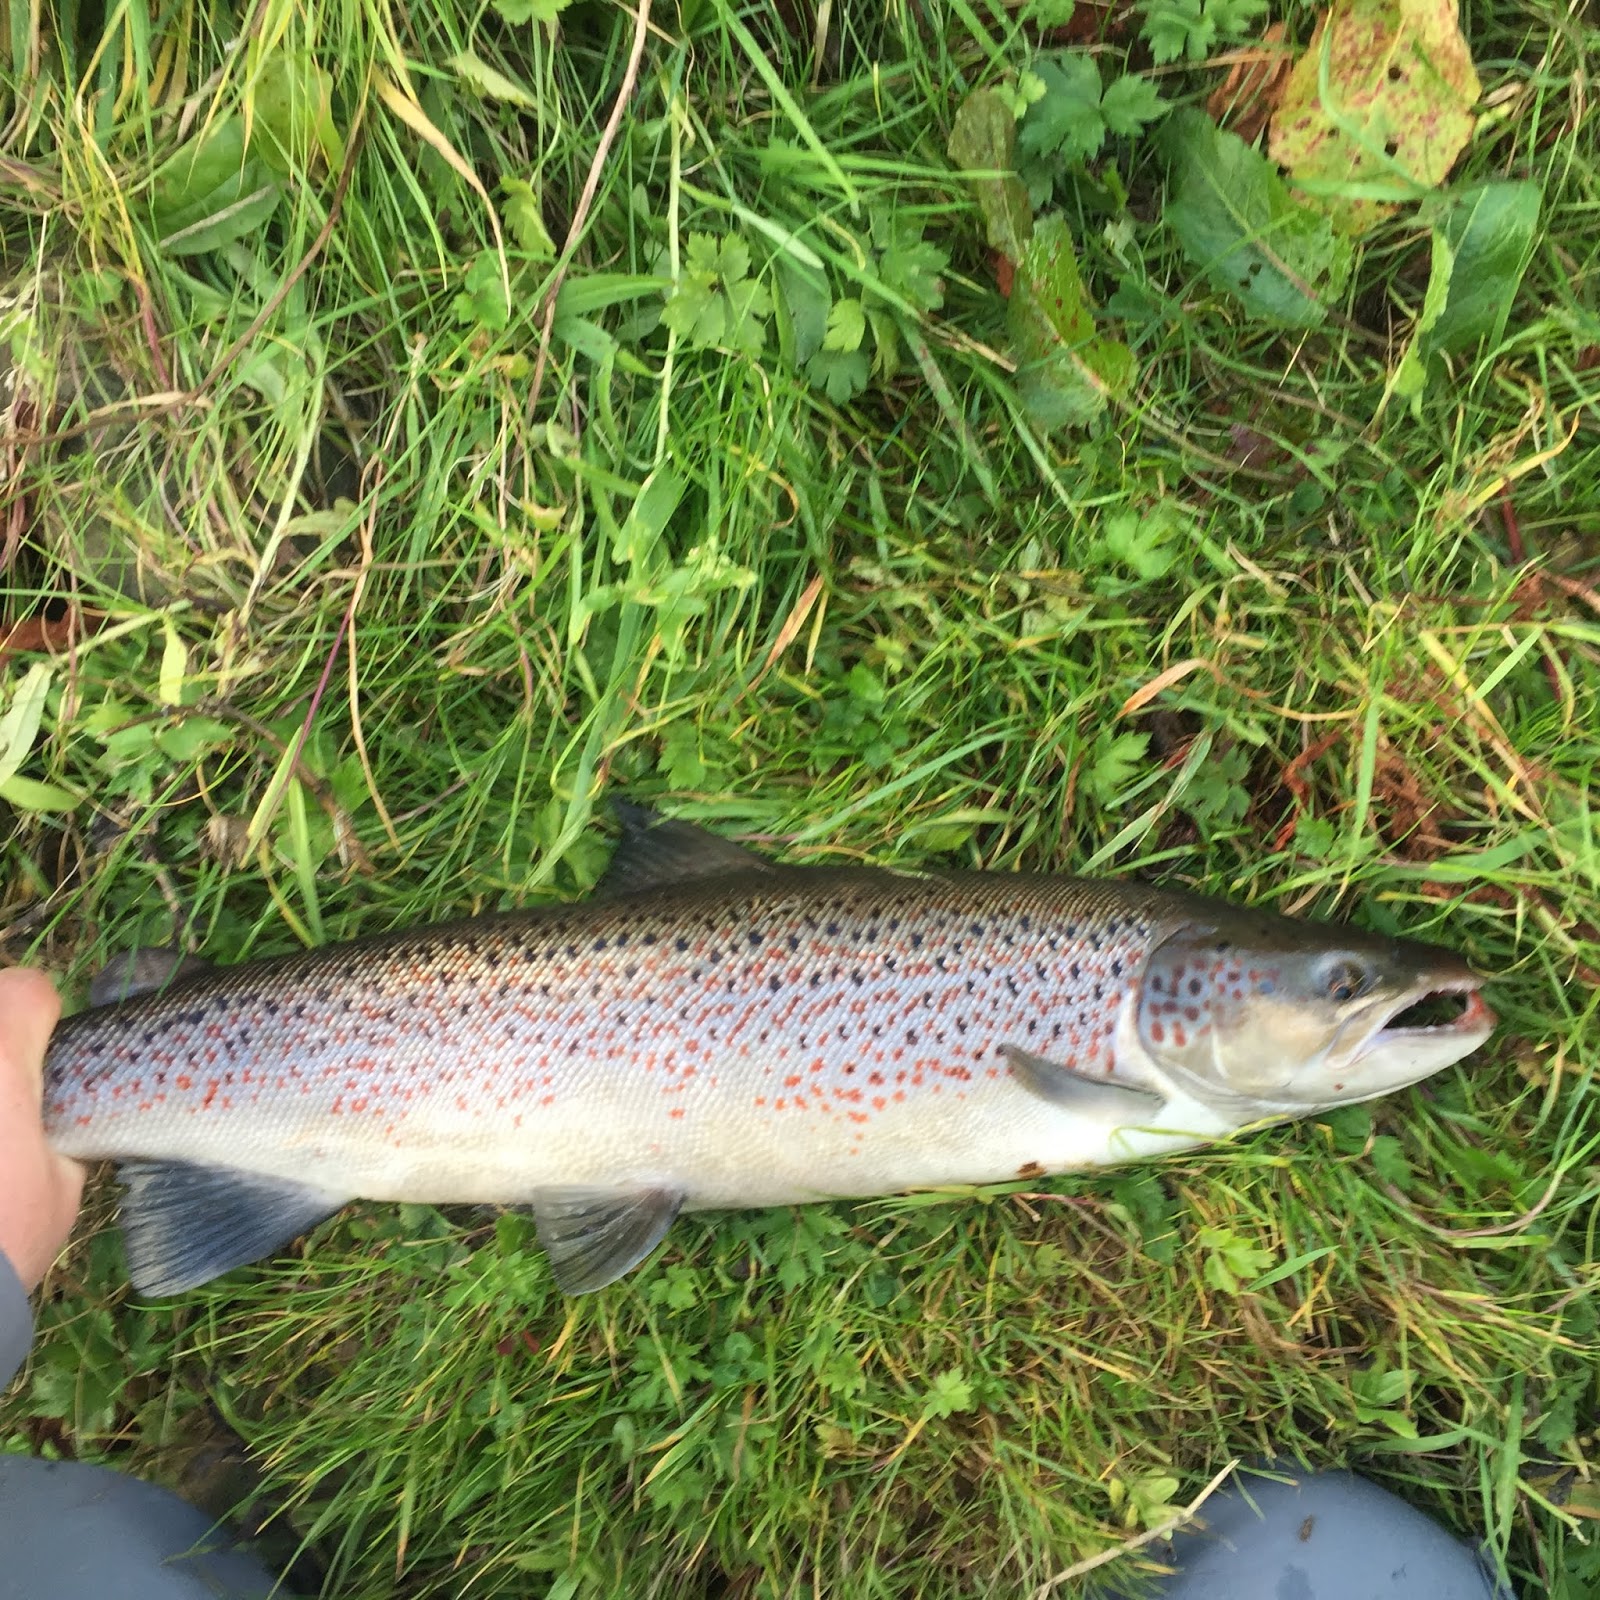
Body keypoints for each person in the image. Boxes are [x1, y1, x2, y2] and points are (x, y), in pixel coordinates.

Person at [0, 968, 1513, 1599]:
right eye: (1330, 986)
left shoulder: (1125, 1035)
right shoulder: (1100, 1041)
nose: (1360, 1002)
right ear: (1172, 991)